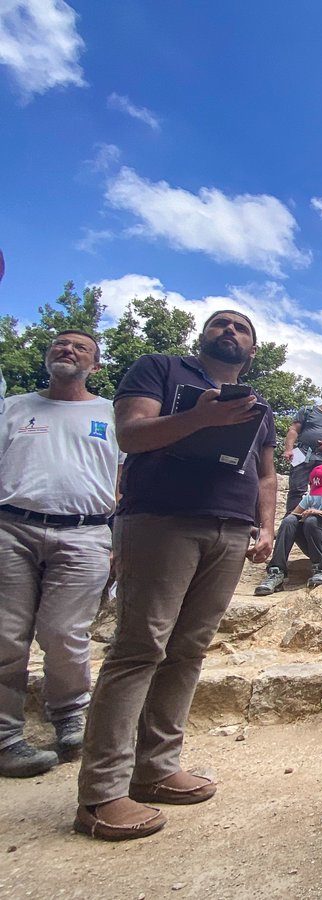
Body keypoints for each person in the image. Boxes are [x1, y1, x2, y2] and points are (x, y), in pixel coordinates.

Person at [75, 309, 276, 842]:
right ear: (203, 336)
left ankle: (157, 769)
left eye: (241, 328)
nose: (229, 332)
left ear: (253, 350)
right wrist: (201, 419)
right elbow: (132, 434)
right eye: (220, 324)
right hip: (161, 520)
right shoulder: (159, 369)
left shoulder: (259, 405)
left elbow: (267, 471)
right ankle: (100, 794)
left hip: (230, 529)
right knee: (140, 647)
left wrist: (267, 526)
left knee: (189, 650)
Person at [0, 331, 123, 778]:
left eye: (80, 347)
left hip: (86, 533)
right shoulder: (13, 407)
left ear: (96, 364)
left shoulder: (111, 414)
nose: (67, 350)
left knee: (65, 632)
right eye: (59, 344)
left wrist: (117, 539)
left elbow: (123, 480)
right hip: (11, 526)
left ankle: (71, 719)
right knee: (7, 635)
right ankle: (6, 738)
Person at [255, 464, 322, 594]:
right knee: (290, 521)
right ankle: (276, 572)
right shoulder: (312, 496)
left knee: (313, 520)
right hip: (315, 542)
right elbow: (294, 516)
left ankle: (321, 570)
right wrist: (268, 535)